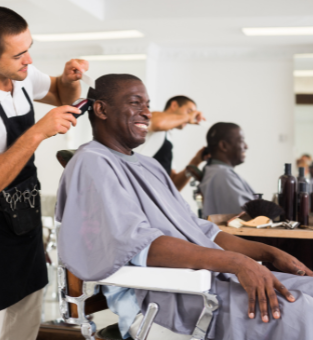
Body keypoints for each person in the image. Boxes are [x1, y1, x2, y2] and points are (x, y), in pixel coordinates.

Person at [56, 74, 313, 340]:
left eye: (148, 104)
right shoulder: (91, 162)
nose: (146, 112)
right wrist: (237, 263)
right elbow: (138, 244)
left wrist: (269, 253)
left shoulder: (150, 165)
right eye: (136, 103)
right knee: (303, 309)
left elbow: (200, 229)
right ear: (101, 109)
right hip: (165, 297)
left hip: (208, 278)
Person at [0, 6, 87, 340]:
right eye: (19, 54)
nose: (29, 61)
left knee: (24, 329)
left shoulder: (20, 77)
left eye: (30, 48)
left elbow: (59, 94)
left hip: (24, 229)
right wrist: (38, 133)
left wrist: (67, 81)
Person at [134, 95, 208, 191]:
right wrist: (188, 117)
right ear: (174, 105)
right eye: (189, 111)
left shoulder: (168, 139)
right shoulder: (151, 113)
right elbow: (155, 123)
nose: (191, 118)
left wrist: (196, 160)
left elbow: (173, 184)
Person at [198, 122, 255, 218]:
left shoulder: (216, 172)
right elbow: (249, 217)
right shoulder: (222, 175)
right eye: (241, 141)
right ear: (224, 146)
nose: (246, 146)